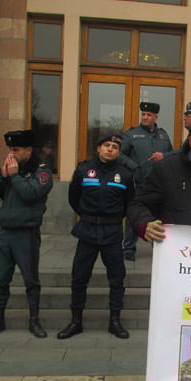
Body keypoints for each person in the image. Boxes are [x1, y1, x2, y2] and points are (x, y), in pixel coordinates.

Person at [57, 134, 134, 340]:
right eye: (106, 145)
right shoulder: (83, 170)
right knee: (79, 278)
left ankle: (115, 321)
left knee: (116, 279)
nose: (110, 149)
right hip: (87, 231)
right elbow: (74, 198)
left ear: (119, 152)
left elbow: (129, 203)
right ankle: (76, 322)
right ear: (98, 148)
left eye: (115, 147)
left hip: (112, 233)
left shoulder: (125, 175)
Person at [0, 130, 53, 339]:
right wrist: (3, 177)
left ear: (29, 150)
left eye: (16, 150)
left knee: (31, 280)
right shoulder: (10, 170)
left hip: (26, 234)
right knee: (0, 279)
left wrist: (14, 176)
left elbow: (31, 194)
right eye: (10, 150)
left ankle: (34, 320)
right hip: (5, 233)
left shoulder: (41, 171)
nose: (11, 154)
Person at [120, 102, 173, 261]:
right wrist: (134, 167)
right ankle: (129, 248)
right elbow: (120, 154)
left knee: (158, 217)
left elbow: (171, 155)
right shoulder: (131, 135)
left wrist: (164, 157)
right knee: (135, 215)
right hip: (140, 183)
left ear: (155, 117)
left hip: (160, 184)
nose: (144, 117)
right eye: (143, 114)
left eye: (148, 115)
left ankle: (158, 247)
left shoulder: (163, 136)